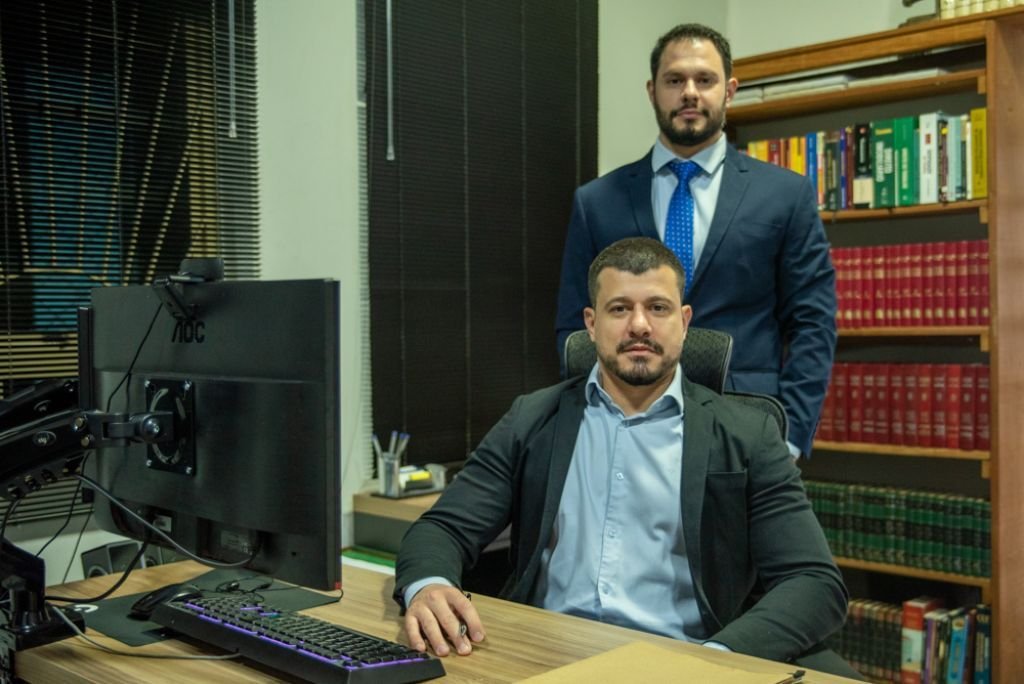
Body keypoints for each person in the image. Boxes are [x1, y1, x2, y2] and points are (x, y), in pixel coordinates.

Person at [396, 238, 855, 677]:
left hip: (682, 666)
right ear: (591, 324)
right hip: (544, 658)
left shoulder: (747, 434)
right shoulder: (532, 418)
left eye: (658, 307)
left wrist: (716, 660)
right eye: (619, 309)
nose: (639, 325)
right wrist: (429, 585)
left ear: (684, 321)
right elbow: (443, 528)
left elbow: (814, 582)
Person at [554, 23, 836, 459]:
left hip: (748, 429)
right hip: (624, 428)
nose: (689, 93)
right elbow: (575, 327)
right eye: (674, 80)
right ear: (652, 91)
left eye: (704, 79)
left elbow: (813, 323)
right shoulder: (597, 202)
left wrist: (791, 438)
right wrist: (592, 418)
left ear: (729, 91)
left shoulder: (786, 195)